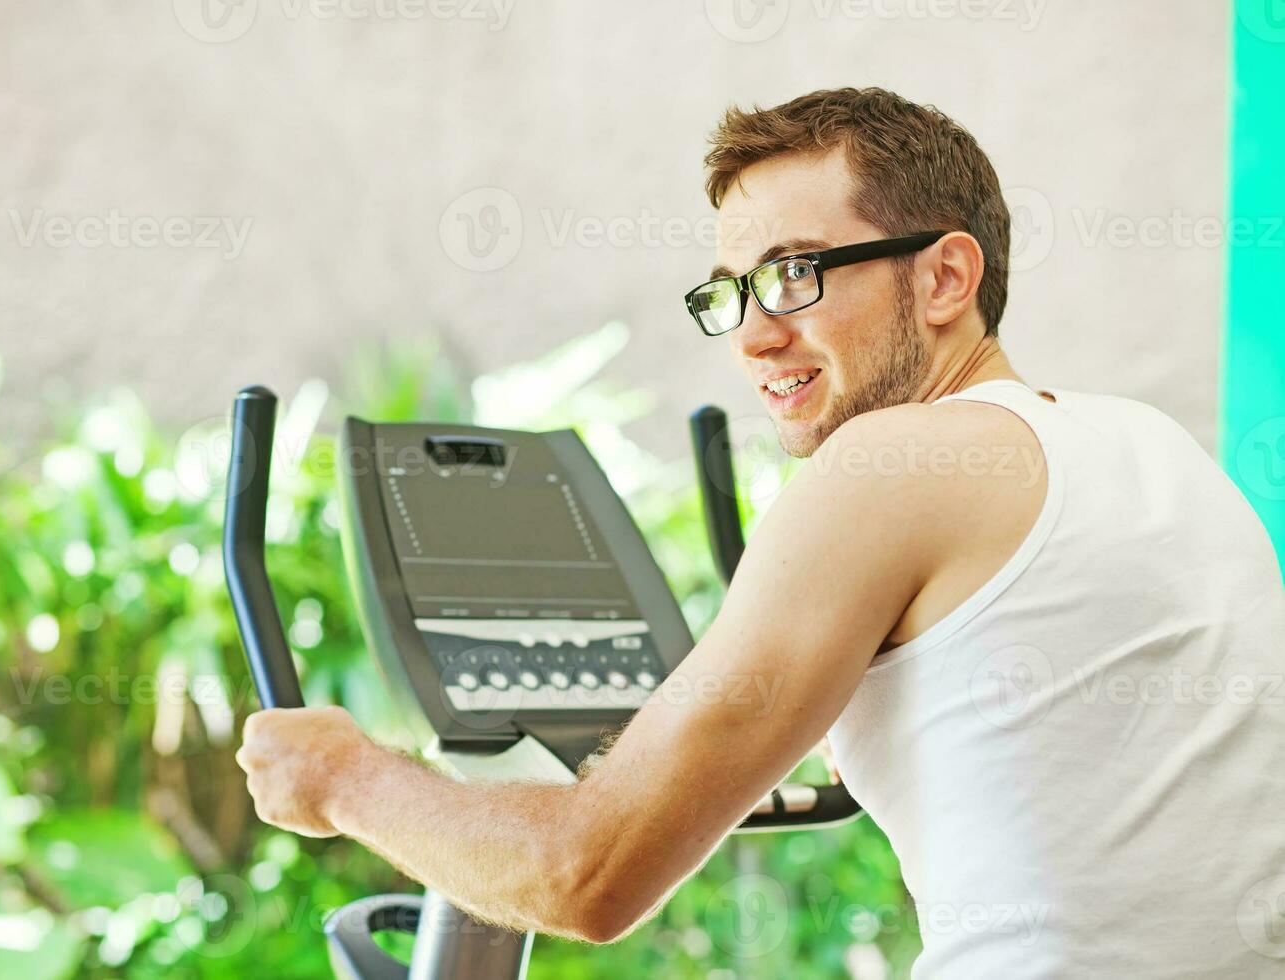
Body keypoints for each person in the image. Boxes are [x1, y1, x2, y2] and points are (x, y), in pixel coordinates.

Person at [237, 87, 1285, 977]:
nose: (753, 332)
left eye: (795, 273)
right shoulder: (1157, 450)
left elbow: (586, 875)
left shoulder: (887, 463)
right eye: (731, 292)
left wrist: (344, 775)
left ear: (945, 278)